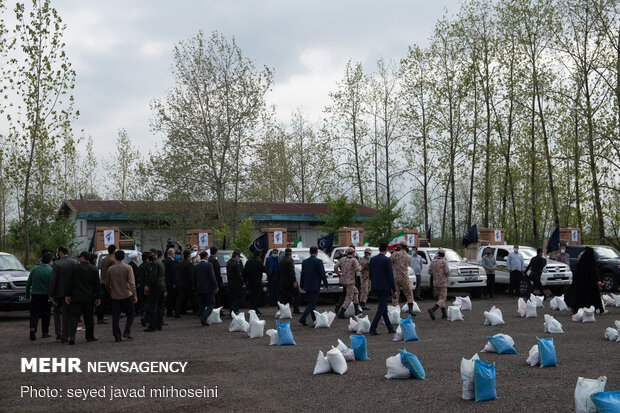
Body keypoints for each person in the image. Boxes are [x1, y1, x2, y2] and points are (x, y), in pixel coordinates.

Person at [65, 251, 101, 345]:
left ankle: (72, 336)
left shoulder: (74, 268)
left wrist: (68, 295)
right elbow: (97, 285)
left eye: (80, 257)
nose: (79, 258)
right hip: (89, 297)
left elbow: (69, 283)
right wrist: (98, 297)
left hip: (76, 297)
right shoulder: (94, 269)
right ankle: (90, 336)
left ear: (83, 258)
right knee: (89, 317)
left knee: (74, 318)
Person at [106, 250, 137, 342]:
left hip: (115, 295)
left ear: (115, 257)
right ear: (124, 257)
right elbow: (132, 283)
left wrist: (111, 291)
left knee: (116, 316)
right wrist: (134, 294)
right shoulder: (128, 267)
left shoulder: (110, 269)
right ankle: (127, 331)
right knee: (131, 313)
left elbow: (107, 283)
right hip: (127, 294)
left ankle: (117, 335)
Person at [564, 246, 607, 314]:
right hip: (591, 284)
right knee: (595, 297)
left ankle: (576, 308)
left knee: (581, 297)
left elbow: (577, 272)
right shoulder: (591, 262)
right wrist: (597, 280)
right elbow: (594, 273)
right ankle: (599, 309)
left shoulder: (581, 262)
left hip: (582, 284)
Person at [48, 246, 77, 343]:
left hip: (59, 293)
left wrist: (51, 293)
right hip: (71, 293)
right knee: (68, 314)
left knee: (57, 313)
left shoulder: (57, 264)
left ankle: (59, 334)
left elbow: (53, 279)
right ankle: (69, 334)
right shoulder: (74, 262)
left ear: (60, 252)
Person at [368, 242, 396, 335]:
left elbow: (370, 274)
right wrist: (394, 289)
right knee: (381, 308)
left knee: (383, 307)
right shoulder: (387, 260)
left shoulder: (372, 259)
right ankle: (373, 327)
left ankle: (390, 327)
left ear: (379, 249)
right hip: (385, 286)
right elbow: (390, 276)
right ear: (386, 250)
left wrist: (373, 283)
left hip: (376, 285)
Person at [26, 251, 53, 341]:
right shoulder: (50, 270)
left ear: (41, 259)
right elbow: (52, 284)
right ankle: (45, 332)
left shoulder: (34, 269)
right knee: (46, 314)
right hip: (46, 296)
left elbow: (28, 283)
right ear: (49, 260)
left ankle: (33, 329)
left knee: (34, 314)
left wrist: (27, 294)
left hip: (35, 295)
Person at [299, 246, 328, 326]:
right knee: (312, 303)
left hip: (307, 285)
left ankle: (315, 320)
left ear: (309, 252)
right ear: (317, 252)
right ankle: (303, 318)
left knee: (311, 303)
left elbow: (303, 274)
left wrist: (301, 284)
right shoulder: (318, 261)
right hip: (315, 285)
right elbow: (322, 274)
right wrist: (326, 284)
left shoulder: (304, 261)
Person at [334, 247, 362, 318]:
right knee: (349, 297)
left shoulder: (342, 259)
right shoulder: (354, 260)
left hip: (343, 280)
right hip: (350, 281)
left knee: (356, 292)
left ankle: (356, 310)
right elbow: (357, 269)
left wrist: (338, 274)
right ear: (353, 253)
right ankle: (341, 313)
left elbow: (335, 267)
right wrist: (361, 266)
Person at [193, 251, 218, 326]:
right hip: (208, 288)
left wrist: (195, 288)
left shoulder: (195, 266)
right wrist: (215, 286)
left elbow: (194, 279)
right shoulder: (209, 265)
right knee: (211, 304)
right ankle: (204, 317)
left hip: (199, 288)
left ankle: (202, 316)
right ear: (206, 257)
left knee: (202, 304)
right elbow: (212, 277)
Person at [391, 240, 416, 316]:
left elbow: (390, 261)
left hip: (395, 277)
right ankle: (411, 310)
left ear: (400, 246)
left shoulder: (395, 254)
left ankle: (395, 310)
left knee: (395, 293)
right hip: (404, 277)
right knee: (409, 293)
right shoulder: (408, 256)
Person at [144, 251, 166, 332]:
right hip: (162, 286)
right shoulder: (160, 263)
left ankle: (152, 326)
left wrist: (147, 285)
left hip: (155, 287)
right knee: (160, 307)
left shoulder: (153, 264)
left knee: (153, 307)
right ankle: (159, 324)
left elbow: (152, 276)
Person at [428, 248, 450, 320]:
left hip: (435, 282)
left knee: (440, 298)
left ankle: (444, 314)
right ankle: (433, 309)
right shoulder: (444, 262)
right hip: (442, 282)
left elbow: (429, 272)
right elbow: (447, 272)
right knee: (443, 298)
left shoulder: (433, 261)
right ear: (443, 255)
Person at [96, 244, 116, 324]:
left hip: (102, 281)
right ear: (114, 251)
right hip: (108, 283)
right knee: (107, 301)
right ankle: (101, 318)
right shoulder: (112, 261)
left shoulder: (104, 259)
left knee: (102, 300)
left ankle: (100, 316)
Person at [243, 250, 267, 315]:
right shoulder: (258, 262)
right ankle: (255, 309)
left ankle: (252, 309)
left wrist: (244, 281)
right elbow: (264, 269)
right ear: (259, 255)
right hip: (257, 282)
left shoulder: (248, 262)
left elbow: (245, 272)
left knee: (251, 296)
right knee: (256, 296)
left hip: (250, 282)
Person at [278, 248, 299, 313]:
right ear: (290, 253)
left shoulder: (281, 261)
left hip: (283, 281)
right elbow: (292, 272)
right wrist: (294, 281)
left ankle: (280, 309)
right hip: (290, 281)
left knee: (282, 296)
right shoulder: (290, 261)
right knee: (296, 294)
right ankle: (296, 309)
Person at [175, 250, 194, 317]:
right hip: (188, 284)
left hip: (181, 283)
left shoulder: (180, 263)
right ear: (189, 255)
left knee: (180, 299)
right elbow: (190, 275)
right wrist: (193, 284)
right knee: (193, 298)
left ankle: (176, 312)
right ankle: (197, 311)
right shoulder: (189, 264)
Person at [208, 246, 226, 316]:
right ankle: (219, 311)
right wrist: (221, 281)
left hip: (209, 281)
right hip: (216, 281)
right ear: (216, 252)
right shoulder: (215, 261)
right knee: (218, 297)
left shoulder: (209, 260)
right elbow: (217, 273)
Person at [226, 250, 245, 315]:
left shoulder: (228, 262)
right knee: (239, 297)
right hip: (236, 283)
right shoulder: (235, 263)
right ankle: (233, 310)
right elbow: (238, 275)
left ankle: (232, 310)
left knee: (232, 297)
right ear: (236, 256)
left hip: (230, 282)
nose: (238, 258)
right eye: (238, 257)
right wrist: (242, 283)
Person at [163, 248, 178, 317]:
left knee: (167, 297)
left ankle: (167, 311)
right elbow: (173, 273)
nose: (174, 255)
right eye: (174, 253)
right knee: (171, 297)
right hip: (171, 282)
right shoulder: (171, 262)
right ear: (171, 254)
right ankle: (169, 312)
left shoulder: (164, 261)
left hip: (165, 281)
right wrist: (175, 282)